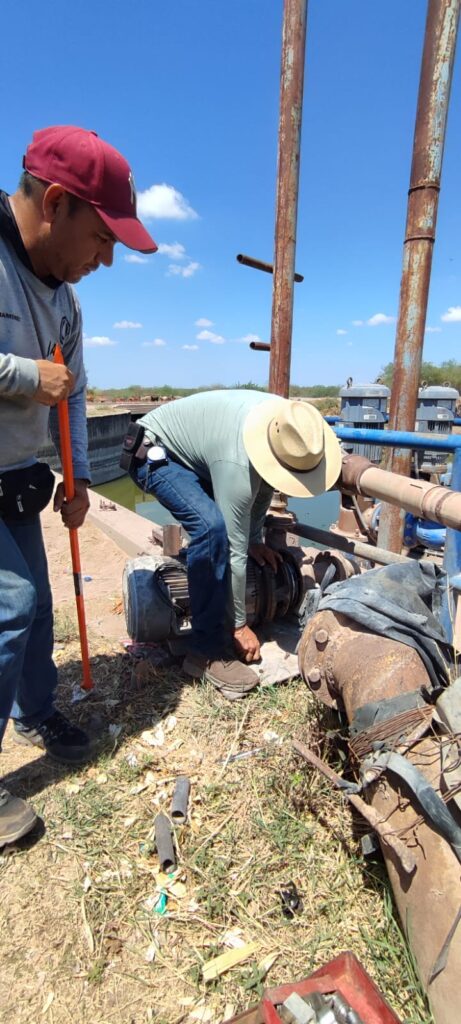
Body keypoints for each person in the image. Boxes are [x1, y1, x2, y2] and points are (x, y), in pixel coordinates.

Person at [0, 126, 157, 846]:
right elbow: (51, 383)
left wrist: (81, 478)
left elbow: (78, 391)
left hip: (16, 478)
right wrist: (30, 377)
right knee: (13, 605)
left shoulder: (64, 298)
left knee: (33, 613)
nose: (106, 258)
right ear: (57, 202)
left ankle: (35, 708)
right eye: (101, 238)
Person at [127, 389, 341, 700]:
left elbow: (266, 482)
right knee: (211, 530)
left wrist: (254, 540)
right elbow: (234, 550)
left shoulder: (285, 426)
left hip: (198, 453)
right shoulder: (238, 459)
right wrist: (238, 625)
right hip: (154, 453)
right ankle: (207, 651)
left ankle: (203, 589)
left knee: (222, 536)